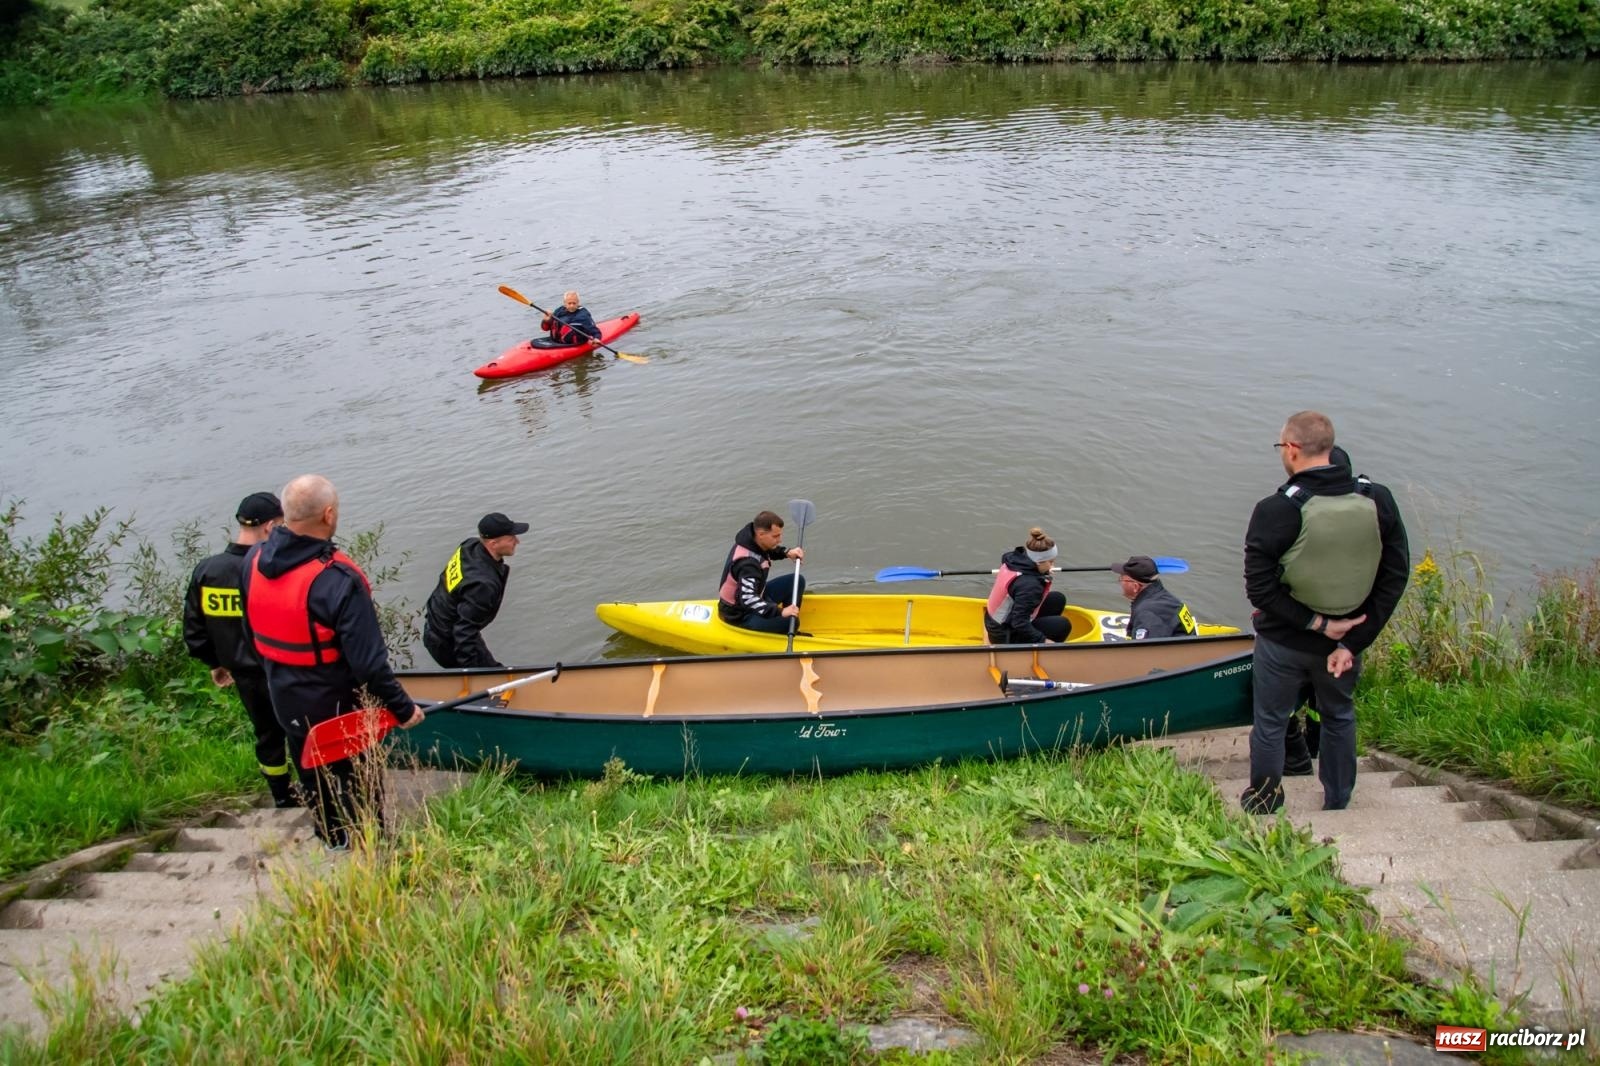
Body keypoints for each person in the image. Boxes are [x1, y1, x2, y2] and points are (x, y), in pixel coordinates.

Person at [240, 475, 424, 849]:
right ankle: (371, 846)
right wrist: (403, 710)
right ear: (328, 515)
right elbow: (370, 666)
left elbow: (251, 631)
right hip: (337, 706)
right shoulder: (339, 579)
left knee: (312, 774)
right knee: (360, 781)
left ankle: (331, 839)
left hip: (284, 697)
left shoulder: (252, 561)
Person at [1242, 413, 1409, 814]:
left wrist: (1318, 624)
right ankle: (1337, 800)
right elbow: (1395, 575)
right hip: (1345, 644)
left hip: (1284, 641)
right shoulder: (1377, 499)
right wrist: (1351, 640)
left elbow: (1260, 589)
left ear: (1293, 450)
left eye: (1281, 446)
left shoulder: (1275, 509)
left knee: (1271, 721)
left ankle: (1265, 801)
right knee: (1338, 715)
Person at [182, 492, 297, 809]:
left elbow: (194, 630)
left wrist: (216, 662)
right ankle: (318, 792)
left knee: (267, 735)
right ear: (270, 528)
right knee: (300, 730)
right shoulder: (271, 569)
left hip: (244, 675)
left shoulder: (208, 572)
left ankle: (282, 796)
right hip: (282, 668)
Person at [1283, 444, 1359, 774]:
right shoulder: (1359, 514)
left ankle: (1300, 760)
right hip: (1344, 626)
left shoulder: (1297, 509)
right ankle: (1322, 765)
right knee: (1331, 705)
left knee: (1281, 702)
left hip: (1299, 627)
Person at [422, 512, 528, 669]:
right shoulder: (483, 585)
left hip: (438, 625)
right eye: (511, 538)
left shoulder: (469, 546)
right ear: (493, 543)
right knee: (485, 679)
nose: (517, 541)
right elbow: (463, 634)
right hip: (448, 642)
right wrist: (472, 673)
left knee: (496, 671)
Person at [717, 510, 805, 634]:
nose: (780, 540)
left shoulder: (751, 540)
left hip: (758, 595)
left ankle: (786, 618)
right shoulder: (747, 564)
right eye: (775, 536)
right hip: (740, 615)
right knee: (792, 622)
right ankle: (786, 626)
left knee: (797, 580)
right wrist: (780, 612)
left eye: (780, 535)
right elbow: (748, 599)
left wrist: (786, 552)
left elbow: (766, 551)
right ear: (761, 534)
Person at [983, 527, 1072, 644]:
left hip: (996, 621)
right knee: (1063, 625)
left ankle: (1038, 628)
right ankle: (1041, 652)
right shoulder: (1030, 586)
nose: (1052, 565)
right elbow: (1019, 622)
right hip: (1005, 633)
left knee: (1057, 599)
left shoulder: (1014, 560)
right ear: (1039, 561)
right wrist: (1043, 640)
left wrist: (1042, 571)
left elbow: (1025, 580)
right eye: (1050, 562)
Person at [1111, 555, 1198, 640]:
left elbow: (1146, 651)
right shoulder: (1160, 594)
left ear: (1135, 587)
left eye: (1122, 579)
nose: (1120, 582)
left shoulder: (1147, 613)